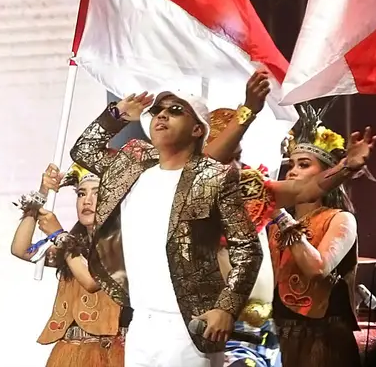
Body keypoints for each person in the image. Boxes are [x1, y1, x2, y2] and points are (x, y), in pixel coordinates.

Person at [70, 91, 262, 367]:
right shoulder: (131, 164)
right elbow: (84, 150)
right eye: (158, 109)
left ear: (197, 129)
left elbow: (247, 248)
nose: (162, 114)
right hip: (140, 323)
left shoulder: (213, 176)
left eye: (175, 110)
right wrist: (117, 114)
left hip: (190, 327)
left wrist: (226, 307)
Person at [267, 119, 372, 366]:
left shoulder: (340, 219)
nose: (292, 171)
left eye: (303, 165)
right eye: (290, 165)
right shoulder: (271, 227)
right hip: (275, 336)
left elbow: (317, 268)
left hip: (322, 341)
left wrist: (281, 217)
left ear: (326, 174)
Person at [12, 163, 125, 367]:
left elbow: (91, 281)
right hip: (70, 351)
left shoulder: (123, 241)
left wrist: (58, 235)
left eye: (96, 193)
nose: (87, 201)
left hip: (109, 352)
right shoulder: (72, 246)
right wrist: (41, 197)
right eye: (81, 194)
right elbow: (21, 249)